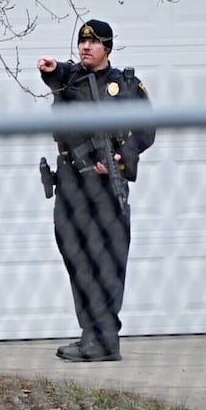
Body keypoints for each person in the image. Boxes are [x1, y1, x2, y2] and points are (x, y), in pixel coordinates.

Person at [37, 19, 154, 362]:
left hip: (105, 184)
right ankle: (91, 332)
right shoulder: (70, 78)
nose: (86, 47)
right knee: (76, 256)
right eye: (82, 42)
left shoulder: (126, 86)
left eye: (93, 42)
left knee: (107, 259)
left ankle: (104, 338)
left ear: (108, 48)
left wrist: (119, 158)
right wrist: (51, 68)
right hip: (72, 183)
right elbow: (57, 75)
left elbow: (146, 131)